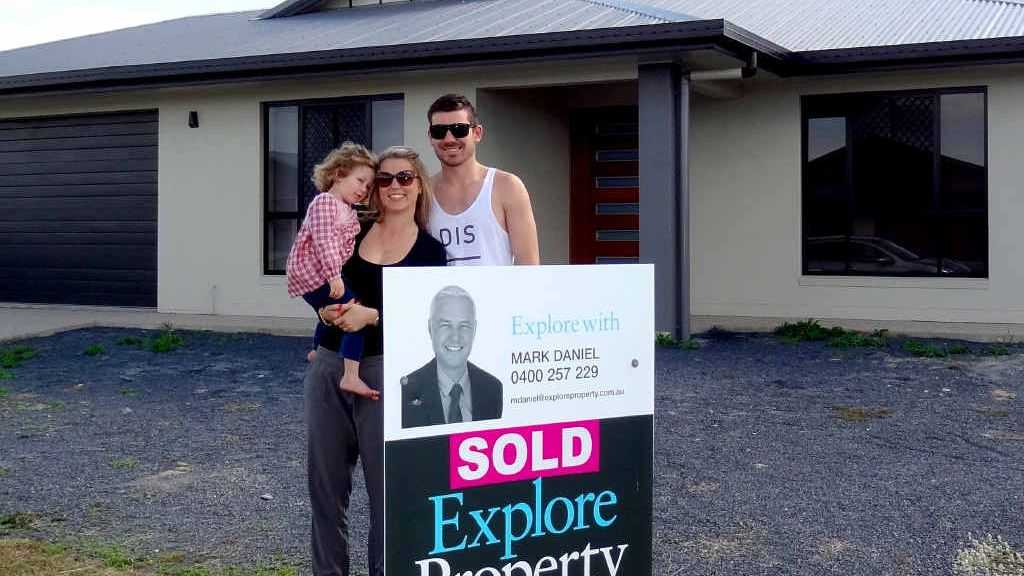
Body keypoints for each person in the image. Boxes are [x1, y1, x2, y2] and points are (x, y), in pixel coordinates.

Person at [305, 146, 446, 576]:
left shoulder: (430, 250)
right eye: (384, 178)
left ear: (419, 184)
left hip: (386, 372)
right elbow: (315, 271)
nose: (394, 186)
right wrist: (321, 311)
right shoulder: (350, 228)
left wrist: (376, 315)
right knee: (325, 491)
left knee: (387, 492)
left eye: (405, 177)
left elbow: (430, 320)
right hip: (330, 364)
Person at [287, 142, 377, 399]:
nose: (363, 189)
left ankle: (317, 348)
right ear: (338, 174)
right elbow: (325, 242)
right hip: (316, 274)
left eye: (368, 186)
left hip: (321, 273)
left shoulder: (345, 208)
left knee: (334, 310)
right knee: (354, 311)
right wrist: (334, 276)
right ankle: (350, 376)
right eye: (360, 181)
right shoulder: (326, 203)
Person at [426, 93, 540, 266]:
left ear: (477, 133)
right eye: (439, 131)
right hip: (444, 294)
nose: (449, 139)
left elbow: (529, 266)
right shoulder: (423, 192)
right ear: (430, 137)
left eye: (459, 129)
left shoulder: (507, 187)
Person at [401, 285, 503, 429]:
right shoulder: (407, 390)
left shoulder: (493, 389)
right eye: (446, 325)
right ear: (430, 328)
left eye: (464, 326)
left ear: (474, 330)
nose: (455, 337)